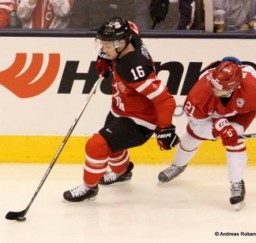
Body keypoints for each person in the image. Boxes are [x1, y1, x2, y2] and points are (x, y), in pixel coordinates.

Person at [158, 57, 256, 211]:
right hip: (209, 116)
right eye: (212, 83)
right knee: (192, 136)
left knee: (235, 138)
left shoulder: (253, 89)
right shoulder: (199, 95)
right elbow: (197, 125)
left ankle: (236, 183)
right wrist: (219, 127)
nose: (212, 88)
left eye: (219, 87)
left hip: (241, 111)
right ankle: (178, 165)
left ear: (234, 87)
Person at [63, 17, 180, 202]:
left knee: (97, 145)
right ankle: (122, 172)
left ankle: (89, 188)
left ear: (120, 44)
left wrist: (165, 129)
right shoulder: (130, 35)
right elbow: (129, 24)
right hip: (122, 107)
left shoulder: (135, 68)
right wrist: (106, 57)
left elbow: (165, 101)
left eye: (107, 46)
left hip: (139, 121)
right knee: (113, 148)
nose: (103, 49)